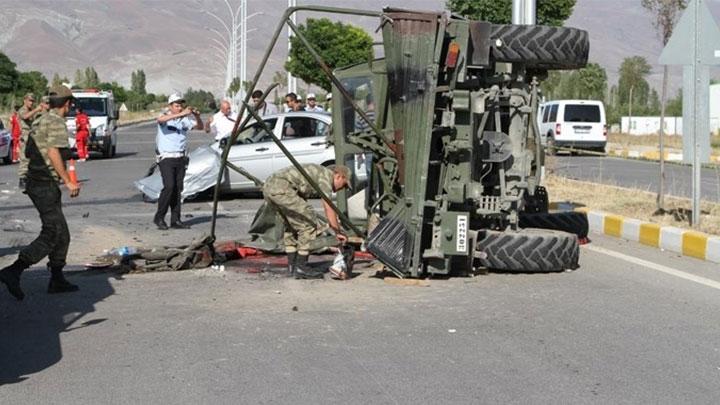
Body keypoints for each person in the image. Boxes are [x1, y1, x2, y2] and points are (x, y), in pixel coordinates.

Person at [0, 86, 81, 301]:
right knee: (53, 231)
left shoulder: (41, 119)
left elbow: (31, 150)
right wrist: (68, 180)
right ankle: (14, 271)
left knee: (61, 232)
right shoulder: (55, 121)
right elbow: (53, 151)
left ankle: (57, 278)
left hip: (38, 181)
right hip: (44, 183)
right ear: (68, 103)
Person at [262, 163, 350, 279]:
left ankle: (292, 267)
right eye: (343, 185)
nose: (341, 189)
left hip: (270, 187)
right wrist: (337, 231)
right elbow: (328, 207)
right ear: (339, 176)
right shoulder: (326, 175)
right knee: (308, 223)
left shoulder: (317, 172)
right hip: (282, 188)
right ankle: (301, 267)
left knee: (292, 226)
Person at [153, 93, 203, 230]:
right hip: (166, 158)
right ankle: (159, 217)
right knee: (169, 186)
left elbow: (200, 127)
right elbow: (160, 119)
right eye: (176, 105)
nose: (179, 107)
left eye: (181, 105)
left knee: (177, 189)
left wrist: (197, 116)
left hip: (180, 157)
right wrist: (181, 114)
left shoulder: (184, 120)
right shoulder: (166, 117)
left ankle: (176, 219)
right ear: (170, 106)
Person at [17, 93, 44, 189]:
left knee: (34, 158)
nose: (31, 103)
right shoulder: (22, 110)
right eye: (29, 100)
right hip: (25, 136)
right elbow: (25, 117)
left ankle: (31, 178)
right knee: (25, 158)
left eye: (32, 101)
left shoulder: (32, 111)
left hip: (32, 136)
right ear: (25, 100)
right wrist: (36, 110)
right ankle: (22, 178)